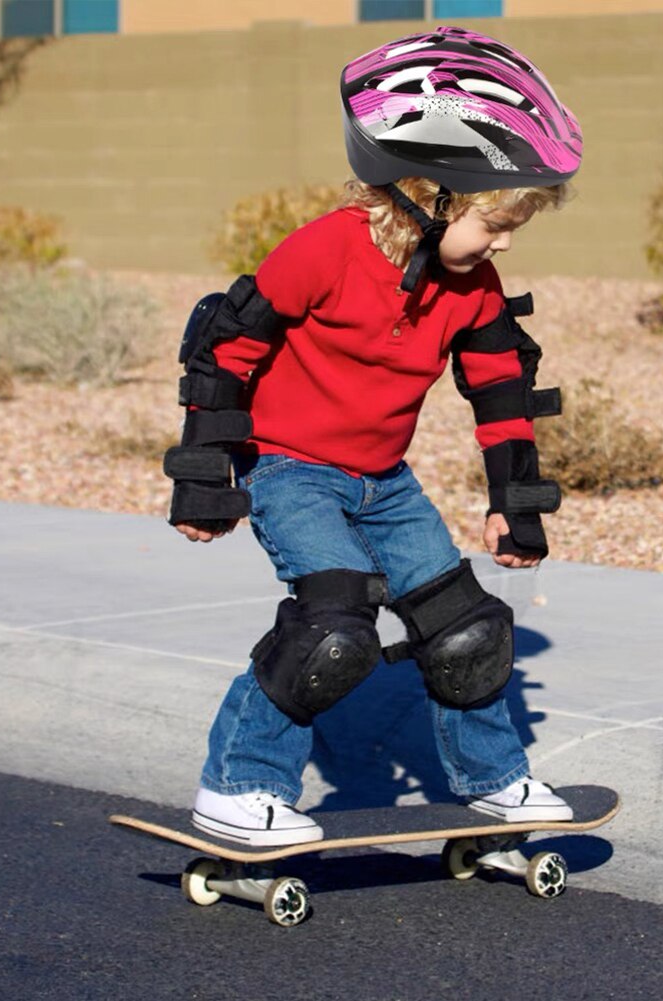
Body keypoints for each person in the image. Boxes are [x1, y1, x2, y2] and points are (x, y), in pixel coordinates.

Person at [163, 26, 583, 847]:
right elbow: (225, 351)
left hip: (385, 481)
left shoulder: (474, 285)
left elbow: (499, 386)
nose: (502, 241)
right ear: (430, 195)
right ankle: (238, 787)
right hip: (291, 471)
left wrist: (515, 503)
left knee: (465, 629)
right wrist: (207, 481)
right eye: (495, 221)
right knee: (332, 630)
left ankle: (493, 781)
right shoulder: (324, 249)